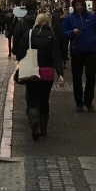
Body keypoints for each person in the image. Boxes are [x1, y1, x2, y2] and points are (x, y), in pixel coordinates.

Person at [15, 11, 65, 140]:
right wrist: (60, 74)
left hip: (32, 71)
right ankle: (43, 127)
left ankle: (33, 116)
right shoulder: (52, 37)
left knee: (32, 97)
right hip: (46, 73)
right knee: (44, 99)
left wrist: (23, 61)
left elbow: (20, 53)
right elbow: (57, 57)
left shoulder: (29, 34)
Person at [62, 0, 96, 112]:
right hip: (77, 51)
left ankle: (88, 101)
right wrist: (72, 32)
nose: (79, 7)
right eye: (77, 5)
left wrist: (94, 39)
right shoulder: (69, 19)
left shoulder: (92, 17)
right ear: (74, 6)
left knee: (91, 77)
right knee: (77, 78)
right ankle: (79, 102)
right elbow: (63, 32)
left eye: (81, 5)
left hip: (90, 51)